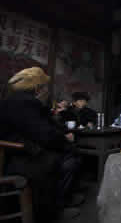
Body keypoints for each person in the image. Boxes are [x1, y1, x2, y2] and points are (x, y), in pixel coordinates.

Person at [0, 67, 82, 222]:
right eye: (45, 86)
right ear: (38, 87)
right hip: (20, 157)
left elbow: (43, 128)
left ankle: (63, 201)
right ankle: (54, 210)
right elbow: (45, 134)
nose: (46, 90)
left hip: (14, 153)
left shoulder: (15, 100)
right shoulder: (26, 102)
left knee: (66, 153)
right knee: (69, 158)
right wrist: (65, 140)